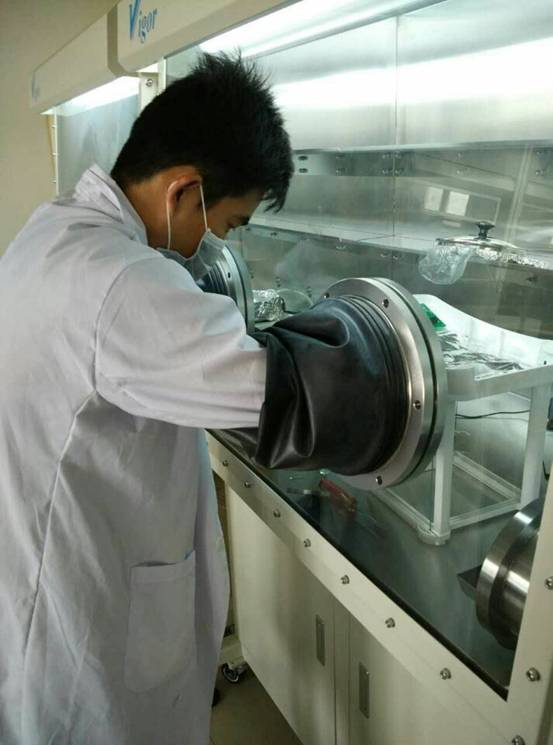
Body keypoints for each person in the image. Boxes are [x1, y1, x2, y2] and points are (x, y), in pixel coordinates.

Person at [0, 53, 404, 745]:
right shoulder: (120, 283)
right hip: (82, 635)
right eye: (230, 223)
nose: (213, 246)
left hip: (43, 577)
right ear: (183, 190)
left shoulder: (56, 229)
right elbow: (293, 395)